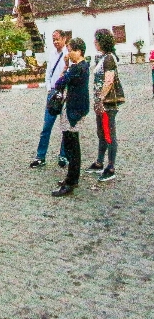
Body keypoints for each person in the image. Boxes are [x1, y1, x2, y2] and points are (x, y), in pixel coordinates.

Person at [50, 37, 90, 197]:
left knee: (72, 147)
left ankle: (71, 181)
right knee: (73, 146)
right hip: (77, 108)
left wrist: (65, 66)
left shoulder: (76, 68)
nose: (68, 53)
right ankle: (72, 178)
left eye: (70, 50)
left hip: (73, 110)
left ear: (78, 51)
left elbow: (59, 83)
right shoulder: (84, 66)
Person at [85, 29, 123, 183]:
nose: (94, 42)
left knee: (109, 134)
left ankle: (111, 167)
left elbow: (109, 81)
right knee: (101, 132)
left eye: (96, 40)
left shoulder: (109, 59)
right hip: (100, 103)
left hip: (107, 104)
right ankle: (100, 162)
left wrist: (100, 99)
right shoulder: (102, 58)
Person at [31, 30, 70, 168]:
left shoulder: (69, 55)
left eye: (57, 39)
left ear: (64, 39)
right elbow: (48, 74)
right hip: (53, 93)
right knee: (46, 126)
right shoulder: (52, 55)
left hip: (65, 94)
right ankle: (40, 156)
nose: (55, 42)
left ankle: (63, 155)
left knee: (65, 127)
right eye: (53, 39)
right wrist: (49, 89)